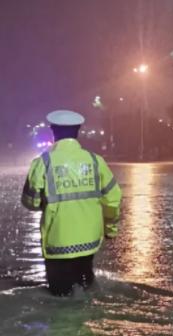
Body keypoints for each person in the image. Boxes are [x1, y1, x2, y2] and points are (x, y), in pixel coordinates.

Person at [21, 110, 122, 296]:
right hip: (89, 242)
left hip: (58, 243)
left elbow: (31, 202)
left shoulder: (43, 162)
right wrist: (110, 230)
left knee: (60, 299)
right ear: (78, 131)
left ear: (53, 131)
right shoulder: (95, 161)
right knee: (86, 291)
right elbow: (113, 199)